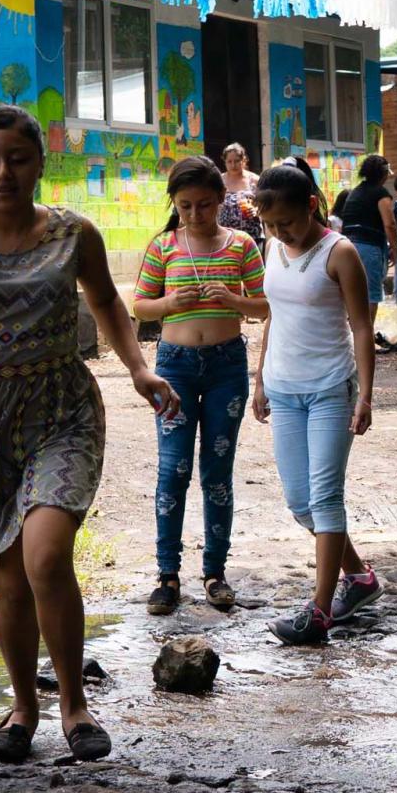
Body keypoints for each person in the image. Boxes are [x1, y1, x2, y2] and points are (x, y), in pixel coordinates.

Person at [0, 107, 179, 762]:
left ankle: (75, 705)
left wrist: (140, 369)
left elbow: (108, 303)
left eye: (18, 158)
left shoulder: (73, 233)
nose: (4, 171)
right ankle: (23, 706)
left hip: (61, 408)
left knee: (47, 556)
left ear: (39, 164)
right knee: (7, 576)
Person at [253, 163, 381, 645]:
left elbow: (362, 327)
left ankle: (321, 610)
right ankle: (361, 579)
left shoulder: (340, 253)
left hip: (330, 388)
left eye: (286, 222)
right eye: (270, 225)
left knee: (326, 498)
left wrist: (365, 394)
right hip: (283, 389)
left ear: (311, 206)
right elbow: (273, 317)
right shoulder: (272, 248)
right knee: (300, 503)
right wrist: (260, 379)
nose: (279, 232)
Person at [132, 155, 267, 615]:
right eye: (186, 206)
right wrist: (169, 301)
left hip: (228, 365)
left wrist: (233, 300)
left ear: (221, 201)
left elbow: (266, 306)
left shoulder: (242, 244)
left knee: (217, 473)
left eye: (205, 206)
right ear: (175, 203)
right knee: (173, 471)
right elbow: (139, 307)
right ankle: (167, 575)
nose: (195, 215)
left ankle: (215, 572)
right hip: (175, 367)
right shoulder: (164, 246)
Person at [329, 152, 395, 303]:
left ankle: (353, 326)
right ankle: (367, 327)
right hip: (369, 247)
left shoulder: (355, 192)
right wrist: (396, 251)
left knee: (351, 291)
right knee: (371, 294)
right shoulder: (381, 194)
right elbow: (389, 224)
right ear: (383, 174)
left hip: (347, 246)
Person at [217, 141, 263, 243]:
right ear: (224, 161)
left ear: (243, 160)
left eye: (237, 161)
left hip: (252, 236)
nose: (233, 165)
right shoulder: (219, 180)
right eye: (229, 161)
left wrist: (256, 211)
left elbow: (265, 204)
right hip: (225, 237)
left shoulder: (254, 180)